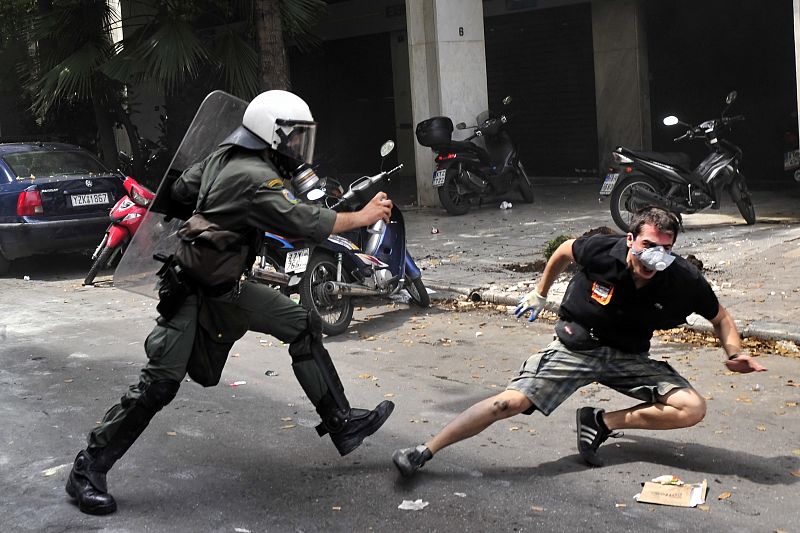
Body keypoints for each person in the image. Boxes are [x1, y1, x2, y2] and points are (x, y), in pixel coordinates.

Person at [66, 90, 395, 515]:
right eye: (293, 139)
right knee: (159, 385)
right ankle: (87, 469)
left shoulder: (224, 157)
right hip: (190, 291)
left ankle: (340, 421)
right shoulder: (254, 176)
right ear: (269, 135)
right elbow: (307, 223)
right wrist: (364, 216)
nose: (298, 149)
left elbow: (182, 190)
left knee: (299, 323)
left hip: (226, 287)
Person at [392, 205, 766, 477]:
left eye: (667, 249)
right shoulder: (603, 249)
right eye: (650, 245)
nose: (657, 256)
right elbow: (564, 249)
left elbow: (722, 318)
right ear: (632, 239)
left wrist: (734, 352)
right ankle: (425, 450)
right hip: (578, 346)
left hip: (627, 356)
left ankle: (600, 422)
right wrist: (540, 292)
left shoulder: (681, 278)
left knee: (691, 408)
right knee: (509, 402)